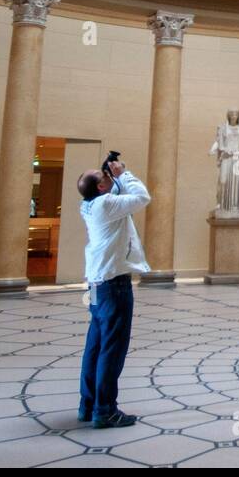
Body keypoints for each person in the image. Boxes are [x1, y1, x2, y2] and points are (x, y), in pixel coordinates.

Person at [76, 155, 152, 428]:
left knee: (95, 345)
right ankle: (105, 409)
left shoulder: (90, 205)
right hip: (113, 284)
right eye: (104, 177)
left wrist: (114, 178)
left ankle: (88, 404)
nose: (109, 177)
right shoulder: (107, 204)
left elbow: (116, 195)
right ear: (100, 188)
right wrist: (124, 174)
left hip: (96, 283)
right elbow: (142, 197)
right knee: (112, 348)